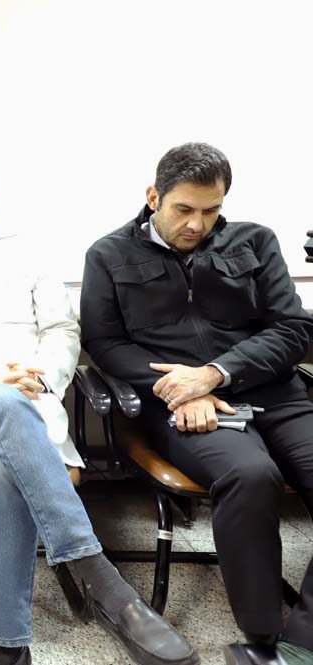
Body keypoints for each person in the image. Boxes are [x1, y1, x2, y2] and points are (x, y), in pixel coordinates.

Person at [0, 151, 198, 665]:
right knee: (1, 402)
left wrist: (44, 377)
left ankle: (6, 648)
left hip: (30, 405)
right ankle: (105, 582)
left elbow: (61, 330)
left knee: (2, 466)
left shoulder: (28, 253)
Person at [81, 142, 313, 665]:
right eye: (184, 209)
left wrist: (213, 374)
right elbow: (105, 343)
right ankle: (263, 638)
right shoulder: (108, 254)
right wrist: (177, 388)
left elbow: (293, 329)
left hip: (272, 392)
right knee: (250, 475)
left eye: (210, 210)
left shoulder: (255, 240)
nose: (196, 224)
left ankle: (301, 645)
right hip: (180, 405)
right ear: (153, 197)